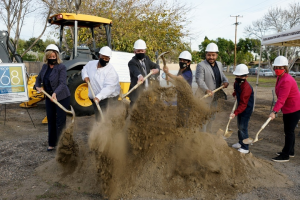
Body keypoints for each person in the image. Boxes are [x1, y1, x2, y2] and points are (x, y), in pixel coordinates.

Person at [35, 44, 71, 151]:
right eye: (50, 57)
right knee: (51, 120)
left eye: (54, 57)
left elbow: (62, 83)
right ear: (46, 57)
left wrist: (55, 93)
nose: (52, 59)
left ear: (57, 56)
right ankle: (52, 144)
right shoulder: (44, 67)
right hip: (49, 97)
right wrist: (37, 86)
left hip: (61, 97)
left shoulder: (61, 67)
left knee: (60, 121)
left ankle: (61, 144)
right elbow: (38, 79)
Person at [269, 56, 300, 162]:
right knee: (289, 131)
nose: (277, 69)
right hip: (288, 108)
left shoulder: (286, 80)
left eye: (280, 67)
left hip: (294, 108)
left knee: (289, 132)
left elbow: (282, 99)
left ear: (285, 68)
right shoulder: (280, 77)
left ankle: (285, 155)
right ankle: (290, 151)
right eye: (276, 67)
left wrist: (274, 112)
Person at [195, 42, 229, 133]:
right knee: (204, 118)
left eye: (213, 55)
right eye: (209, 55)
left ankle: (208, 135)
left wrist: (226, 81)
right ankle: (202, 137)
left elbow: (222, 75)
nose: (211, 57)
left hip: (215, 96)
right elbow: (199, 80)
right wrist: (206, 90)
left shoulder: (219, 64)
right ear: (206, 54)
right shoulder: (201, 65)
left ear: (217, 55)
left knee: (212, 117)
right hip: (204, 97)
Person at [82, 46, 120, 121]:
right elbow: (84, 69)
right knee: (98, 115)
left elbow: (109, 88)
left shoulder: (111, 72)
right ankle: (100, 128)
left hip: (109, 98)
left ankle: (106, 130)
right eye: (103, 58)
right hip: (95, 97)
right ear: (99, 56)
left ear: (109, 59)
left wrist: (99, 97)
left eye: (107, 59)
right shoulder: (91, 64)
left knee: (106, 116)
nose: (105, 60)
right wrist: (85, 76)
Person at [163, 51, 193, 127]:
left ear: (189, 63)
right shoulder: (180, 71)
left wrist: (168, 73)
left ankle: (185, 133)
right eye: (181, 60)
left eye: (184, 60)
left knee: (184, 117)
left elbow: (179, 79)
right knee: (179, 116)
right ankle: (179, 131)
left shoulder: (188, 73)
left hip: (187, 98)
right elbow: (177, 83)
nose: (181, 62)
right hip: (180, 96)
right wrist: (169, 79)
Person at [230, 64, 254, 154]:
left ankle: (245, 147)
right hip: (240, 107)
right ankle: (240, 143)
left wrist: (235, 113)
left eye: (241, 76)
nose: (239, 77)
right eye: (237, 75)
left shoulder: (247, 88)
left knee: (243, 128)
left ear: (246, 76)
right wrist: (235, 94)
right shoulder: (237, 82)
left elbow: (244, 104)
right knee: (239, 127)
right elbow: (236, 90)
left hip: (246, 109)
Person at [128, 39, 160, 106]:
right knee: (133, 113)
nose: (140, 52)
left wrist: (157, 69)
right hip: (136, 94)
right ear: (135, 51)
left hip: (146, 93)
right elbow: (135, 70)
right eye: (138, 51)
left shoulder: (146, 59)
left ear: (145, 51)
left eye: (142, 51)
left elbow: (155, 65)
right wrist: (139, 76)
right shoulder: (132, 62)